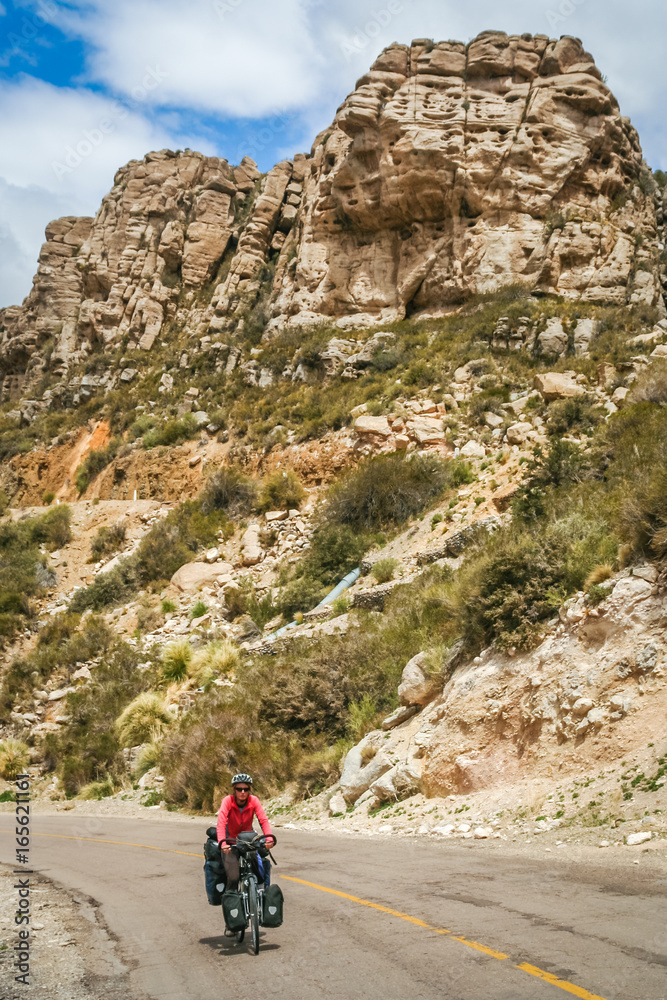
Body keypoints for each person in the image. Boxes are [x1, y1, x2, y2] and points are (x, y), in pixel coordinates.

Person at [216, 773, 274, 893]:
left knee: (258, 870)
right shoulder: (228, 801)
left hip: (249, 840)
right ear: (234, 790)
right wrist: (223, 844)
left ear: (249, 790)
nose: (242, 792)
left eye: (246, 789)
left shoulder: (254, 800)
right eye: (239, 789)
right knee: (233, 877)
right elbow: (221, 823)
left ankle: (260, 891)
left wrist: (269, 839)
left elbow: (263, 820)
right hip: (231, 841)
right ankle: (232, 903)